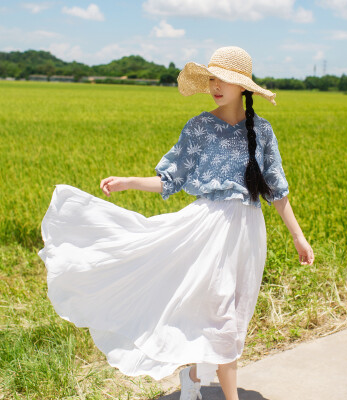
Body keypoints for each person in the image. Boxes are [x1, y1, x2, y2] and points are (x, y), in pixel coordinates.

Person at [38, 46, 314, 400]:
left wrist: (298, 237)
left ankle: (192, 379)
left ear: (243, 86)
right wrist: (129, 181)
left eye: (224, 80)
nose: (216, 85)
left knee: (228, 314)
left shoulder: (261, 130)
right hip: (206, 228)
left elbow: (277, 190)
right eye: (212, 78)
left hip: (247, 233)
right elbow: (171, 178)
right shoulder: (199, 126)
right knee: (222, 321)